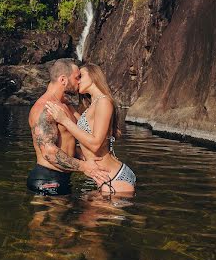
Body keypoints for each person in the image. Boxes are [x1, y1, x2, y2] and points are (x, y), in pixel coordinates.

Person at [45, 63, 136, 194]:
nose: (78, 80)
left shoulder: (104, 102)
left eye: (81, 76)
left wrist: (64, 120)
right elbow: (79, 126)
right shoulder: (93, 105)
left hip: (114, 179)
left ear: (93, 76)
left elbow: (95, 144)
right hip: (105, 178)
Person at [27, 58, 111, 196]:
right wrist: (84, 167)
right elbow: (48, 151)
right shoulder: (44, 108)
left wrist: (86, 157)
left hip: (62, 178)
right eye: (77, 77)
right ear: (63, 80)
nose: (79, 81)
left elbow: (72, 138)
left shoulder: (65, 105)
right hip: (47, 180)